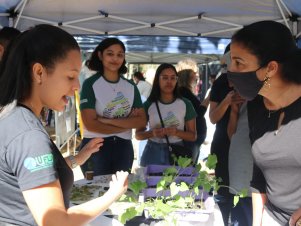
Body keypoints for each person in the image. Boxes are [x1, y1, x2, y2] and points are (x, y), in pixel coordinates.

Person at [0, 24, 128, 226]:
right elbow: (56, 222)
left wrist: (78, 158)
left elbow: (31, 174)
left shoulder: (13, 118)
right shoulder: (28, 135)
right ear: (39, 72)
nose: (77, 86)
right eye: (70, 76)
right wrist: (111, 195)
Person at [227, 20, 301, 226]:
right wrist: (257, 222)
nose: (231, 71)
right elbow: (259, 175)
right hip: (273, 216)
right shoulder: (256, 106)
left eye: (238, 62)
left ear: (270, 68)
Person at [80, 37, 146, 175]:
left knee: (121, 192)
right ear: (100, 55)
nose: (115, 58)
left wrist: (105, 120)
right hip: (96, 145)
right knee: (96, 191)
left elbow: (141, 121)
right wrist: (126, 124)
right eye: (110, 53)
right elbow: (90, 124)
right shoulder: (90, 84)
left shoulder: (131, 86)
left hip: (124, 148)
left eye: (120, 55)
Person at [209, 45, 244, 225]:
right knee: (223, 190)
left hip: (246, 146)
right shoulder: (221, 82)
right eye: (231, 61)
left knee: (242, 195)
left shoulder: (255, 82)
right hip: (222, 144)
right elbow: (213, 118)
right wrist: (227, 101)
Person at [136, 63, 197, 166]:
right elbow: (138, 135)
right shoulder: (148, 104)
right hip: (152, 152)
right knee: (150, 182)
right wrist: (153, 133)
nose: (169, 82)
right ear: (157, 80)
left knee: (176, 182)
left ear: (177, 80)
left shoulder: (186, 104)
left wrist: (176, 132)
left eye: (173, 78)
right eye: (165, 78)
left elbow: (193, 136)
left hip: (177, 152)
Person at [227, 100, 253, 226]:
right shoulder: (241, 101)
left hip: (257, 174)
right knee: (240, 217)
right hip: (239, 170)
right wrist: (234, 111)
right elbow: (231, 134)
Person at [177, 69, 209, 164]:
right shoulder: (184, 92)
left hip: (194, 135)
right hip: (192, 136)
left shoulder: (185, 92)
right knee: (189, 168)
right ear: (186, 79)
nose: (196, 79)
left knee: (190, 166)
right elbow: (198, 113)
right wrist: (209, 98)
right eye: (193, 77)